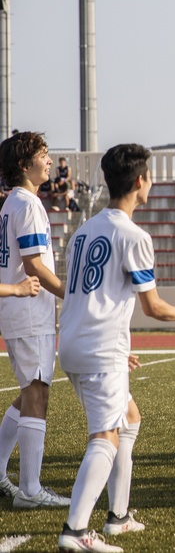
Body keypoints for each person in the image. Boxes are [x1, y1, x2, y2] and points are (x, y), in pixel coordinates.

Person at [56, 143, 175, 551]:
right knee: (105, 437)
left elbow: (85, 296)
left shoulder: (84, 230)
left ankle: (118, 517)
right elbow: (153, 307)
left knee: (129, 418)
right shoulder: (134, 234)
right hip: (97, 347)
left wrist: (117, 350)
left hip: (74, 340)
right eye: (151, 177)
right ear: (141, 181)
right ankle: (75, 532)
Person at [0, 132, 72, 510]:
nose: (49, 160)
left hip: (24, 313)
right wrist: (72, 295)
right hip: (28, 311)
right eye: (43, 155)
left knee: (31, 390)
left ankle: (2, 471)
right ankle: (30, 489)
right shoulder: (25, 203)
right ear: (24, 165)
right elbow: (34, 265)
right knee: (36, 393)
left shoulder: (16, 202)